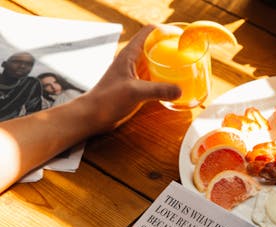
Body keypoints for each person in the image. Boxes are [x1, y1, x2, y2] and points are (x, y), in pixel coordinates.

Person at [0, 25, 181, 194]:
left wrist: (94, 110)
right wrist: (93, 111)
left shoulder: (31, 85)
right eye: (17, 62)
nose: (22, 67)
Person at [0, 51, 45, 121]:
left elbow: (34, 113)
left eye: (29, 64)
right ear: (4, 64)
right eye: (16, 62)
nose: (22, 66)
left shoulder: (30, 84)